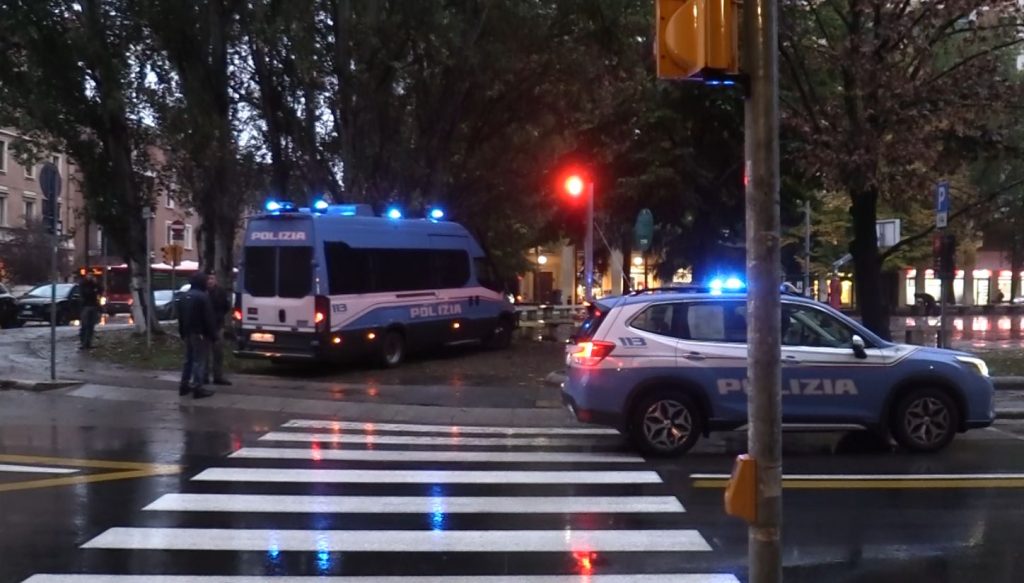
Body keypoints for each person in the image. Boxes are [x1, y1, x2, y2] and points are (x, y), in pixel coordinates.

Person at [178, 272, 216, 399]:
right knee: (199, 360)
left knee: (188, 359)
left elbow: (181, 317)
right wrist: (213, 334)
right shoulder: (203, 297)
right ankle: (197, 387)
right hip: (200, 333)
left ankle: (184, 385)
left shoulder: (184, 296)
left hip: (188, 332)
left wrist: (182, 332)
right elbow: (208, 318)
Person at [205, 272, 232, 386]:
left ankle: (218, 375)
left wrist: (219, 316)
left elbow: (226, 306)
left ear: (215, 280)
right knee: (205, 353)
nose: (210, 281)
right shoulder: (203, 291)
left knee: (218, 352)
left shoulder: (220, 292)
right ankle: (204, 375)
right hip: (205, 327)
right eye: (208, 279)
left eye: (212, 278)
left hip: (217, 325)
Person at [78, 274, 102, 350]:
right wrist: (93, 290)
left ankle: (88, 343)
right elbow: (86, 293)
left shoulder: (94, 284)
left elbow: (100, 290)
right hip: (86, 306)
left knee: (91, 326)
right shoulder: (83, 284)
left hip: (93, 306)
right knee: (85, 325)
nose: (90, 277)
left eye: (91, 276)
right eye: (89, 276)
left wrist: (96, 284)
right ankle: (83, 343)